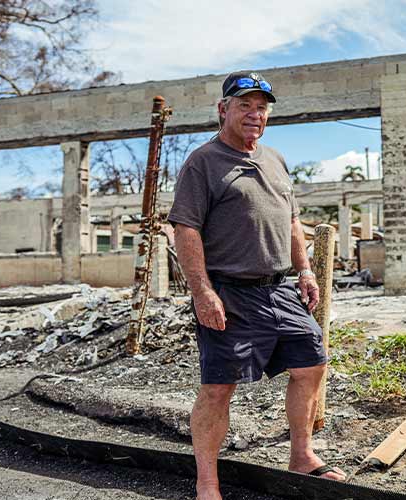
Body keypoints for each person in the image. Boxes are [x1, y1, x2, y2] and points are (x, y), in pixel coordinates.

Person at [168, 72, 346, 500]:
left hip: (281, 289)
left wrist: (304, 270)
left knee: (312, 364)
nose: (254, 114)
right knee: (218, 387)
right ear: (222, 110)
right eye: (244, 105)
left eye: (261, 107)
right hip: (231, 293)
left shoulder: (275, 159)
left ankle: (302, 455)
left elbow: (291, 221)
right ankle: (207, 483)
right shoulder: (203, 162)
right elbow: (185, 230)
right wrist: (203, 291)